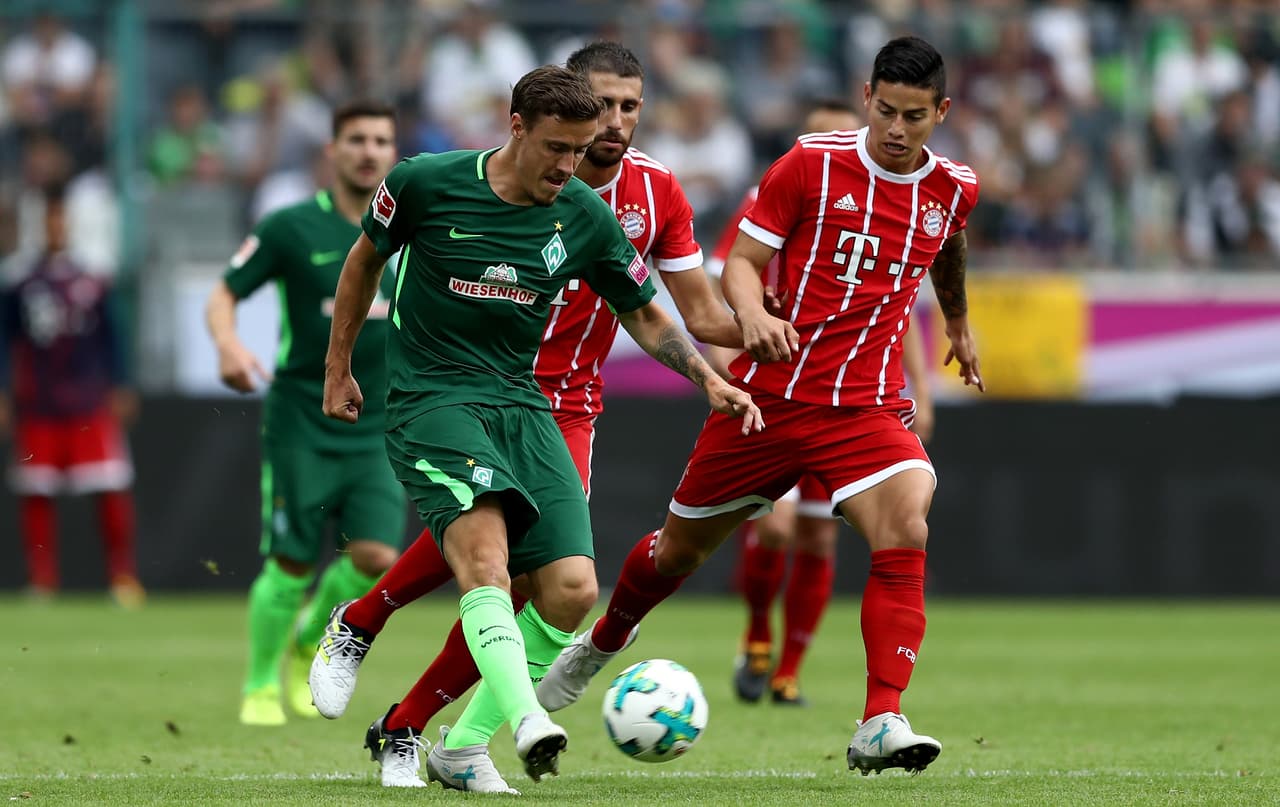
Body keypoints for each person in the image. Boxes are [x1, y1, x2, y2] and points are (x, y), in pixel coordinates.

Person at [537, 36, 984, 778]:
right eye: (886, 111)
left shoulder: (955, 185)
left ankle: (881, 716)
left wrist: (959, 322)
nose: (897, 130)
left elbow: (949, 244)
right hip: (769, 397)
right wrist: (753, 319)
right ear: (867, 96)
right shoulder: (811, 162)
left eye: (914, 116)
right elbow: (741, 265)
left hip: (864, 409)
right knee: (675, 553)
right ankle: (607, 638)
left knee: (908, 520)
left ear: (941, 112)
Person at [308, 41, 746, 793]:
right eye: (572, 134)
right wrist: (338, 365)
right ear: (516, 125)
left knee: (568, 589)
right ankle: (511, 718)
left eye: (625, 110)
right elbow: (362, 263)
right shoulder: (424, 182)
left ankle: (419, 718)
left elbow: (654, 312)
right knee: (488, 560)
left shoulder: (603, 207)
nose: (584, 152)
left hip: (544, 403)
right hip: (438, 394)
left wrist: (712, 373)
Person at [709, 102, 937, 708]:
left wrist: (921, 389)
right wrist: (726, 371)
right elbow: (723, 285)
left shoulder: (882, 201)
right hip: (779, 389)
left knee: (819, 539)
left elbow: (899, 314)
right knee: (776, 526)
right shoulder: (773, 195)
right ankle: (758, 634)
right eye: (818, 136)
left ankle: (788, 672)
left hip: (852, 399)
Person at [204, 100, 404, 727]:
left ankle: (305, 642)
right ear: (333, 150)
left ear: (393, 153)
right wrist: (230, 344)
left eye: (381, 140)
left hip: (378, 422)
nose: (369, 150)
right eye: (357, 139)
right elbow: (224, 292)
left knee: (376, 557)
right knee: (291, 559)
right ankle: (261, 681)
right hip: (301, 417)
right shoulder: (291, 226)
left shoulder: (415, 229)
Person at [0, 183, 143, 608]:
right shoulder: (20, 281)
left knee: (110, 488)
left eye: (61, 219)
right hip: (39, 402)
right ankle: (42, 581)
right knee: (36, 492)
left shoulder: (94, 278)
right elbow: (6, 340)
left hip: (88, 399)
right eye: (49, 220)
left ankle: (122, 577)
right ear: (39, 226)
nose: (56, 227)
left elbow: (113, 336)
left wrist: (121, 382)